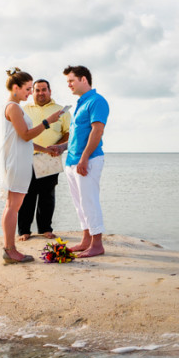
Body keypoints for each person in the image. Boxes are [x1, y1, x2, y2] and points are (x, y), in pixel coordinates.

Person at [0, 68, 64, 264]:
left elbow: (24, 140)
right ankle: (10, 250)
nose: (30, 93)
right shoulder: (13, 107)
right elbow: (25, 135)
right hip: (17, 162)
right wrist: (47, 122)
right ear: (15, 87)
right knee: (13, 207)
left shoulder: (16, 107)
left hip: (21, 160)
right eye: (28, 89)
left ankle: (9, 248)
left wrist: (45, 150)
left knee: (12, 206)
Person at [62, 65, 109, 258]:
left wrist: (84, 158)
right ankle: (86, 240)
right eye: (67, 82)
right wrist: (61, 147)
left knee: (89, 201)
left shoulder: (97, 101)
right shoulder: (80, 103)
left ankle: (97, 244)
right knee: (79, 203)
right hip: (72, 161)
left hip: (88, 160)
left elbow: (97, 131)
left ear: (83, 79)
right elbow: (77, 135)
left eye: (71, 81)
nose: (69, 85)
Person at [18, 79, 71, 241]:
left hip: (50, 157)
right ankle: (24, 231)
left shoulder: (61, 111)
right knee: (26, 195)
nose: (41, 93)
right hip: (26, 157)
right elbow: (21, 134)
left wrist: (60, 147)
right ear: (32, 92)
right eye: (37, 90)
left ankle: (45, 228)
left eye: (44, 90)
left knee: (47, 195)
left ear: (50, 91)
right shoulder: (23, 110)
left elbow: (68, 133)